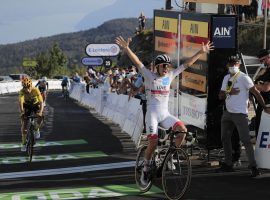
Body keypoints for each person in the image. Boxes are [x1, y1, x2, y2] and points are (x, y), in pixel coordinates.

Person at [115, 36, 214, 185]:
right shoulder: (149, 76)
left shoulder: (170, 75)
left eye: (168, 66)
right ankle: (146, 167)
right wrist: (127, 48)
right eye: (163, 66)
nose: (166, 68)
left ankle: (169, 157)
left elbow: (187, 64)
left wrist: (201, 51)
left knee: (182, 130)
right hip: (152, 115)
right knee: (153, 142)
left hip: (165, 114)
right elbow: (137, 62)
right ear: (157, 67)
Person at [218, 55, 269, 177]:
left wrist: (264, 106)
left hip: (240, 114)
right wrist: (229, 92)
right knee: (225, 138)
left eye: (235, 64)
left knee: (246, 140)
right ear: (227, 65)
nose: (232, 66)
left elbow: (256, 93)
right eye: (231, 64)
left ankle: (253, 166)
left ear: (239, 65)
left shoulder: (244, 78)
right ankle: (228, 164)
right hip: (227, 113)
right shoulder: (226, 78)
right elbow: (220, 95)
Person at [19, 77, 44, 151]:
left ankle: (36, 129)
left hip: (35, 104)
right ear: (23, 87)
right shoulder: (21, 91)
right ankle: (23, 143)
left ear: (31, 86)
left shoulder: (35, 89)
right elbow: (20, 102)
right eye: (25, 87)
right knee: (24, 124)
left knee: (41, 116)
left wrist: (40, 112)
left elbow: (41, 102)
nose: (27, 90)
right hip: (27, 106)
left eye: (28, 87)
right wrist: (22, 112)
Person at [254, 49, 270, 137]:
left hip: (268, 104)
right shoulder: (264, 70)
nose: (262, 62)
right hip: (262, 103)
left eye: (263, 60)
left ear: (269, 57)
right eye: (260, 61)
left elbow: (266, 88)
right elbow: (258, 83)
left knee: (265, 130)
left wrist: (252, 86)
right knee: (259, 129)